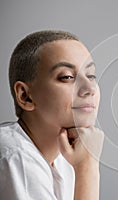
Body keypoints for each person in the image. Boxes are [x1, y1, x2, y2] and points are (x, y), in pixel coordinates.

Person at [0, 30, 104, 199]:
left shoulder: (66, 158)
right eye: (67, 77)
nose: (89, 89)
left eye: (91, 75)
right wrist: (88, 167)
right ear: (25, 96)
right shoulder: (14, 156)